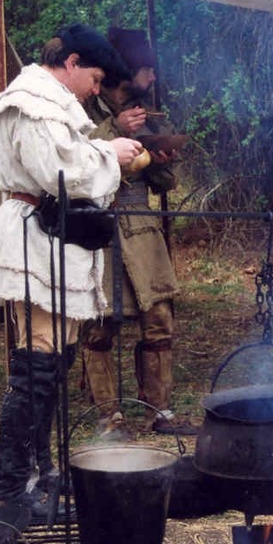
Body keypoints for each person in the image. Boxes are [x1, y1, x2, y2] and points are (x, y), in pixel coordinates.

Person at [0, 24, 141, 515]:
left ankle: (42, 471)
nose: (97, 90)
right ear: (71, 62)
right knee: (36, 368)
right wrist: (109, 152)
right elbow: (61, 170)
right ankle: (13, 489)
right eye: (94, 79)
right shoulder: (29, 100)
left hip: (56, 239)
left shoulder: (51, 103)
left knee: (54, 365)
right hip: (34, 237)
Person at [82, 27, 195, 436]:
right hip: (101, 227)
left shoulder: (148, 110)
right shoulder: (86, 107)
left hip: (142, 229)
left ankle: (159, 413)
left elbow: (163, 185)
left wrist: (163, 158)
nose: (151, 78)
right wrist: (117, 127)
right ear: (125, 70)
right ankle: (107, 418)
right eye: (146, 69)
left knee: (160, 321)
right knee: (99, 325)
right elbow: (82, 156)